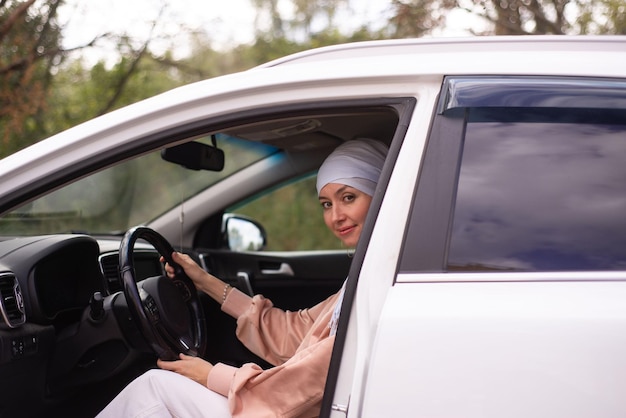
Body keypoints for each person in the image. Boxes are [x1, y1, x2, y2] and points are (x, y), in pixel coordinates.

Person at [96, 138, 389, 418]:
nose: (335, 216)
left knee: (154, 388)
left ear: (382, 194)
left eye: (348, 198)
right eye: (326, 204)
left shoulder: (381, 281)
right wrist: (204, 282)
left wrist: (209, 374)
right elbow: (294, 333)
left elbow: (297, 387)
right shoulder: (369, 272)